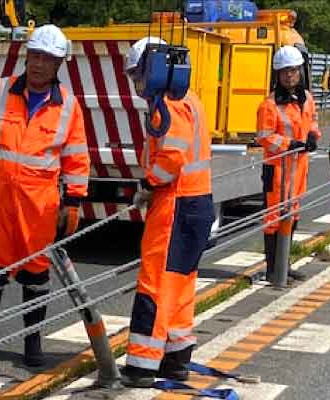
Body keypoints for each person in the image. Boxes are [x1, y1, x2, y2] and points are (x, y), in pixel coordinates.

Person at [0, 24, 89, 367]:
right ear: (26, 57)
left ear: (58, 65)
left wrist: (75, 201)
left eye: (46, 59)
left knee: (36, 275)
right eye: (34, 56)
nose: (37, 64)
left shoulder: (68, 107)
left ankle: (32, 346)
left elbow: (76, 157)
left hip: (39, 206)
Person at [118, 37, 216, 387]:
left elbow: (171, 158)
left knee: (154, 283)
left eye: (136, 77)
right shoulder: (190, 99)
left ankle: (141, 366)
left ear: (152, 70)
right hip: (197, 202)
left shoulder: (167, 104)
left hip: (174, 203)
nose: (136, 85)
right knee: (179, 285)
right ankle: (175, 359)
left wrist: (147, 184)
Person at [256, 45, 320, 285]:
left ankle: (285, 264)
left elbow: (312, 121)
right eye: (284, 72)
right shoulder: (269, 104)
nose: (289, 75)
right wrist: (288, 144)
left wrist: (313, 135)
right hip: (277, 170)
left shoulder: (307, 99)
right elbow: (264, 136)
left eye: (293, 71)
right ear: (277, 74)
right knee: (274, 219)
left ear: (300, 71)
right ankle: (273, 268)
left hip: (299, 168)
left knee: (292, 216)